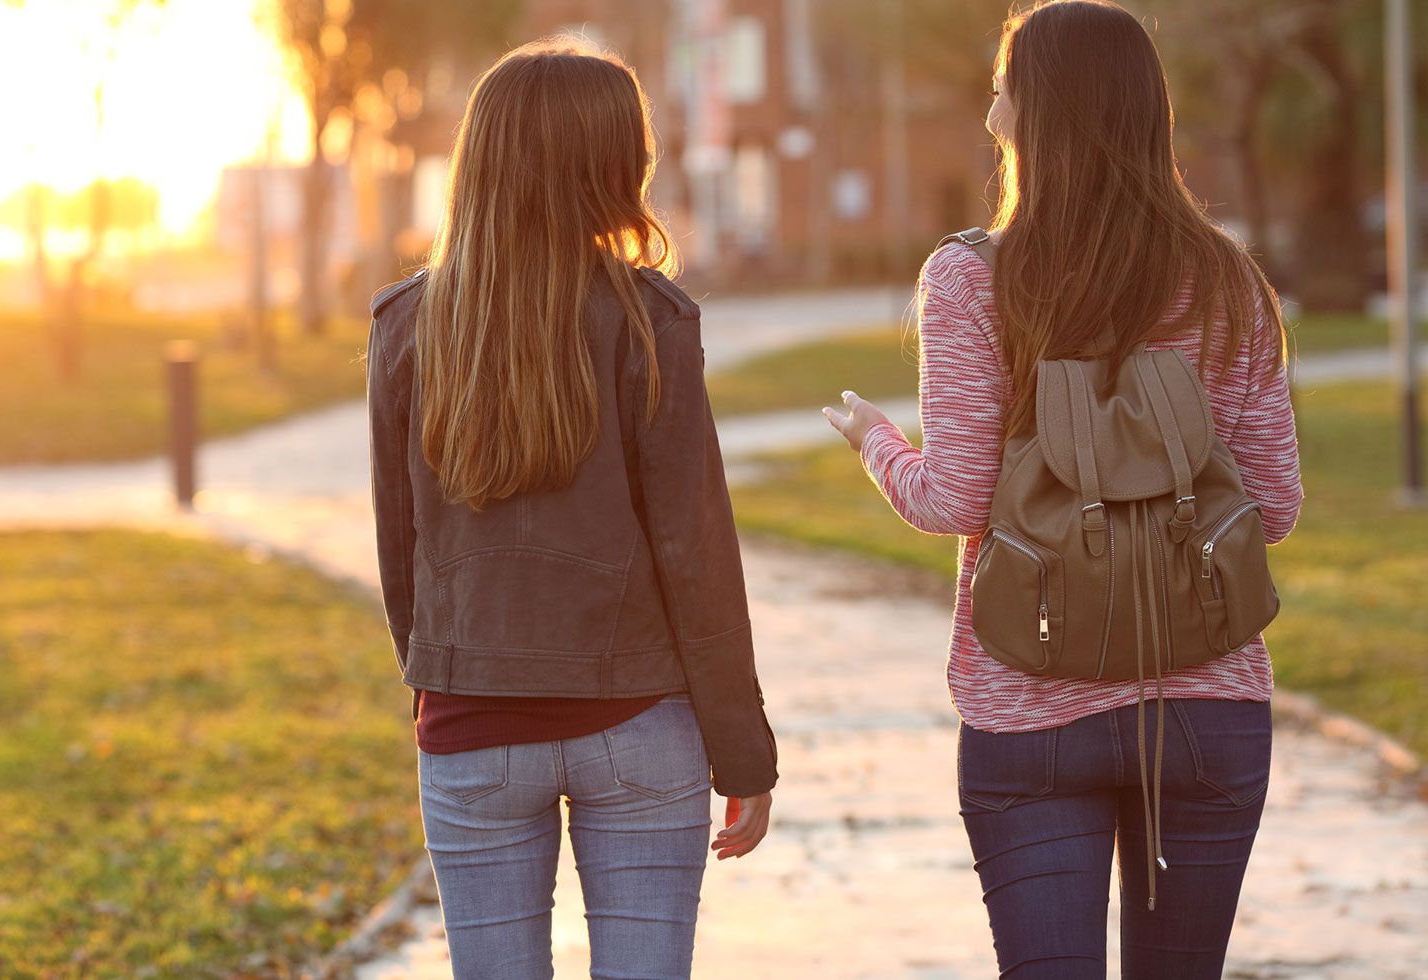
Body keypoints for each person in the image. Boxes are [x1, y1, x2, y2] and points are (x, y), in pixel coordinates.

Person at [823, 2, 1302, 977]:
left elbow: (956, 500)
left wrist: (875, 439)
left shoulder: (971, 278)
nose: (990, 108)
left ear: (1026, 115)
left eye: (1001, 88)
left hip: (1027, 705)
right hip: (1203, 706)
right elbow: (1274, 507)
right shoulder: (1228, 283)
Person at [367, 38, 777, 980]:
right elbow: (697, 554)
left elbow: (402, 559)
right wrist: (742, 753)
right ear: (612, 167)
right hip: (638, 726)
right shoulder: (650, 321)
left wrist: (451, 681)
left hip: (472, 729)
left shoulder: (406, 326)